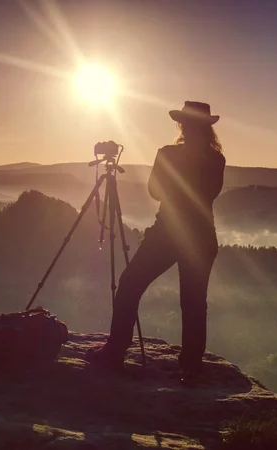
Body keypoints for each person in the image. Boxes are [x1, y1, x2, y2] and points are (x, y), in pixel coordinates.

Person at [87, 101, 226, 380]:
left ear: (185, 125)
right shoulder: (214, 159)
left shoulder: (169, 154)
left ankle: (116, 352)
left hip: (168, 232)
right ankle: (191, 367)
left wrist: (173, 185)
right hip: (197, 235)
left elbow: (155, 190)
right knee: (193, 301)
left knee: (131, 284)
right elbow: (205, 194)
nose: (185, 126)